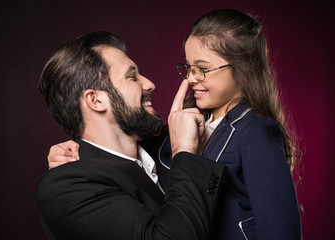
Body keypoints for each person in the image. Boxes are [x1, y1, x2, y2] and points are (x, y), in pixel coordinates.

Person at [48, 9, 302, 239]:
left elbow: (279, 226)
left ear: (242, 68)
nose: (191, 78)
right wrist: (77, 148)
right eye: (189, 68)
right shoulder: (175, 136)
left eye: (202, 68)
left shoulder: (251, 131)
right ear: (95, 100)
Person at [36, 30, 227, 240]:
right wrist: (185, 154)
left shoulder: (163, 151)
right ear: (96, 100)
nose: (149, 84)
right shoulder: (65, 187)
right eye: (132, 76)